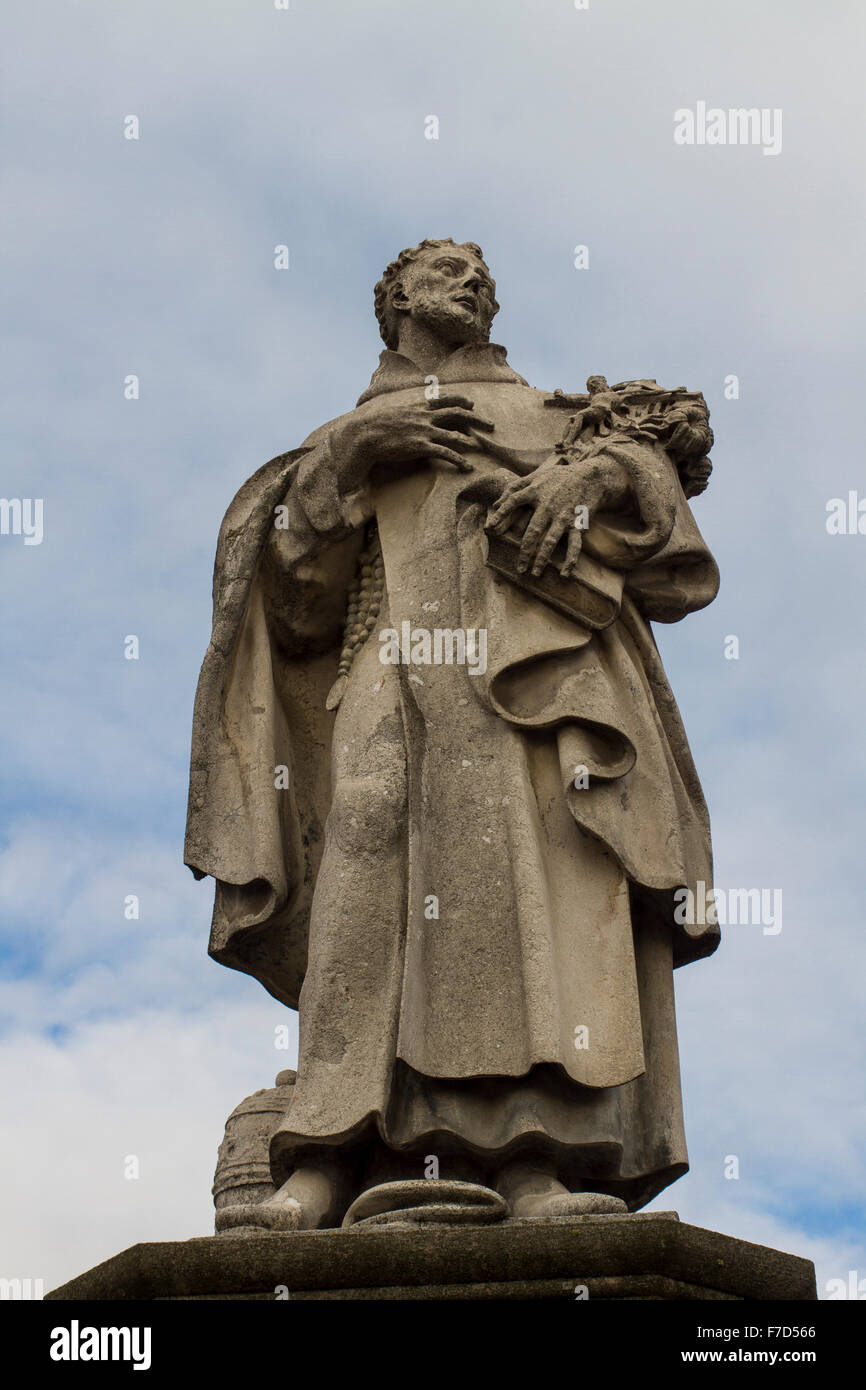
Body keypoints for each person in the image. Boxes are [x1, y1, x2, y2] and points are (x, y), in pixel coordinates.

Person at [185, 238, 721, 1230]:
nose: (469, 281)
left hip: (529, 687)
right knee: (364, 871)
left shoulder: (560, 421)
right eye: (440, 269)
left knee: (520, 902)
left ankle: (528, 1161)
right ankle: (326, 1157)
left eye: (480, 272)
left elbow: (668, 546)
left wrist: (592, 475)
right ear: (390, 299)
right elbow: (296, 612)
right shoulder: (342, 436)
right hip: (383, 672)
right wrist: (342, 467)